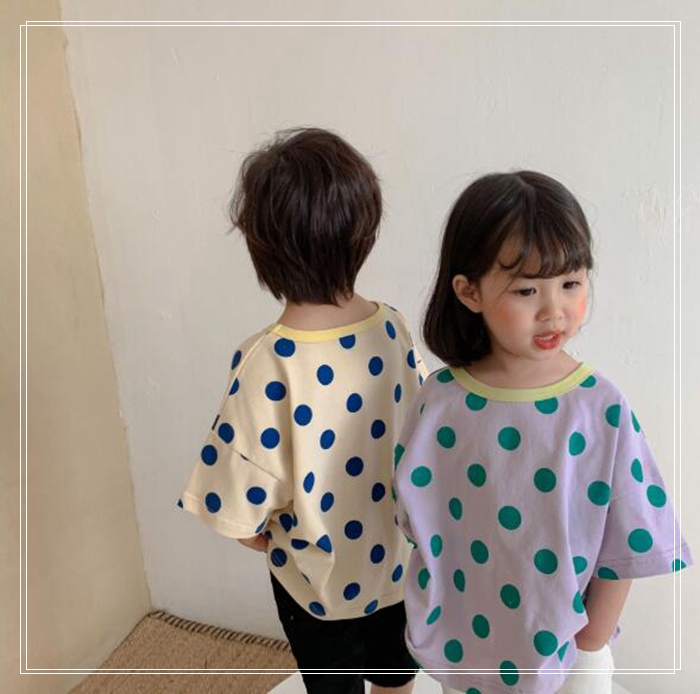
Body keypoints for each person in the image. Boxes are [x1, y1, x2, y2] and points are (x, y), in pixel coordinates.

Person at [392, 171, 692, 694]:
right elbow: (419, 522)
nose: (554, 310)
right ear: (468, 291)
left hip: (573, 652)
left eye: (571, 283)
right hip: (468, 647)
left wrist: (590, 643)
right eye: (527, 289)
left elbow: (632, 534)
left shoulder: (599, 407)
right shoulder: (440, 401)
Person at [179, 128, 427, 694]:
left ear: (262, 247)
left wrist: (257, 536)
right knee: (396, 676)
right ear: (363, 231)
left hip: (317, 585)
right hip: (396, 565)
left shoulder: (266, 361)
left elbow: (238, 491)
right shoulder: (392, 328)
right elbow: (416, 430)